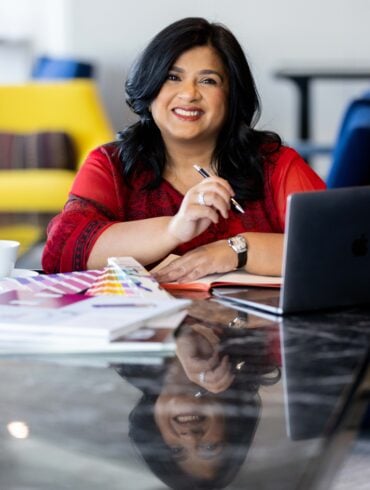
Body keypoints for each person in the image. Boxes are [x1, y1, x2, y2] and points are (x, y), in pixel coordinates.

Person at [42, 17, 325, 277]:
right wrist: (174, 229)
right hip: (143, 331)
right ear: (150, 87)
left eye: (208, 81)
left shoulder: (275, 164)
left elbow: (337, 248)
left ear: (231, 96)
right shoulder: (111, 163)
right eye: (173, 77)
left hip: (254, 328)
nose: (189, 94)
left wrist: (238, 250)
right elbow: (62, 251)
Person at [114, 314, 281, 489]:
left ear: (154, 430)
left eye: (176, 450)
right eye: (209, 447)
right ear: (232, 423)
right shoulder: (271, 345)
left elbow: (105, 292)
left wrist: (178, 333)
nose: (190, 438)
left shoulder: (114, 345)